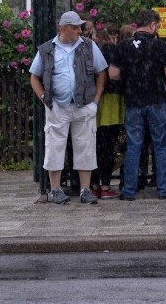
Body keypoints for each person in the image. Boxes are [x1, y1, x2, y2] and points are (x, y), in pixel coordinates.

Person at [29, 11, 108, 205]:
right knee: (55, 147)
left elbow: (101, 74)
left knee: (86, 146)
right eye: (75, 27)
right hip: (58, 105)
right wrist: (44, 99)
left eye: (80, 27)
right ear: (62, 28)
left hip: (84, 104)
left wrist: (95, 102)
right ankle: (55, 190)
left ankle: (85, 189)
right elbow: (34, 77)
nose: (79, 30)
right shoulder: (47, 49)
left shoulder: (89, 46)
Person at [109, 9, 166, 201]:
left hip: (133, 101)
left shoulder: (123, 46)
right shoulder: (159, 46)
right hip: (156, 100)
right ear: (152, 25)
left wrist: (131, 75)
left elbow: (113, 74)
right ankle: (164, 189)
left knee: (134, 146)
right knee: (160, 145)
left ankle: (129, 190)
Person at [90, 24, 125, 199]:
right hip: (112, 102)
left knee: (95, 147)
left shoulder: (90, 51)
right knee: (108, 148)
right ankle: (105, 187)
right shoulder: (112, 50)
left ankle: (94, 185)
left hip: (95, 102)